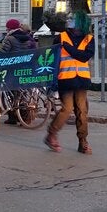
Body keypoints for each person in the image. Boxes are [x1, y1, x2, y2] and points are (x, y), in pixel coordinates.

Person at [45, 11, 95, 154]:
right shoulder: (60, 37)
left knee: (82, 111)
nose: (69, 20)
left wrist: (68, 48)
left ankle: (83, 141)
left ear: (81, 22)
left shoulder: (88, 39)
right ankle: (52, 134)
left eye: (73, 18)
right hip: (65, 79)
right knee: (67, 109)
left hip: (81, 80)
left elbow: (84, 57)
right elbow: (51, 59)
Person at [0, 19, 38, 125]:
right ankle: (24, 117)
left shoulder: (10, 38)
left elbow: (4, 52)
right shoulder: (26, 38)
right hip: (24, 67)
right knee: (22, 92)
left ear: (9, 28)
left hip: (12, 68)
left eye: (7, 27)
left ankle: (13, 117)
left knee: (10, 91)